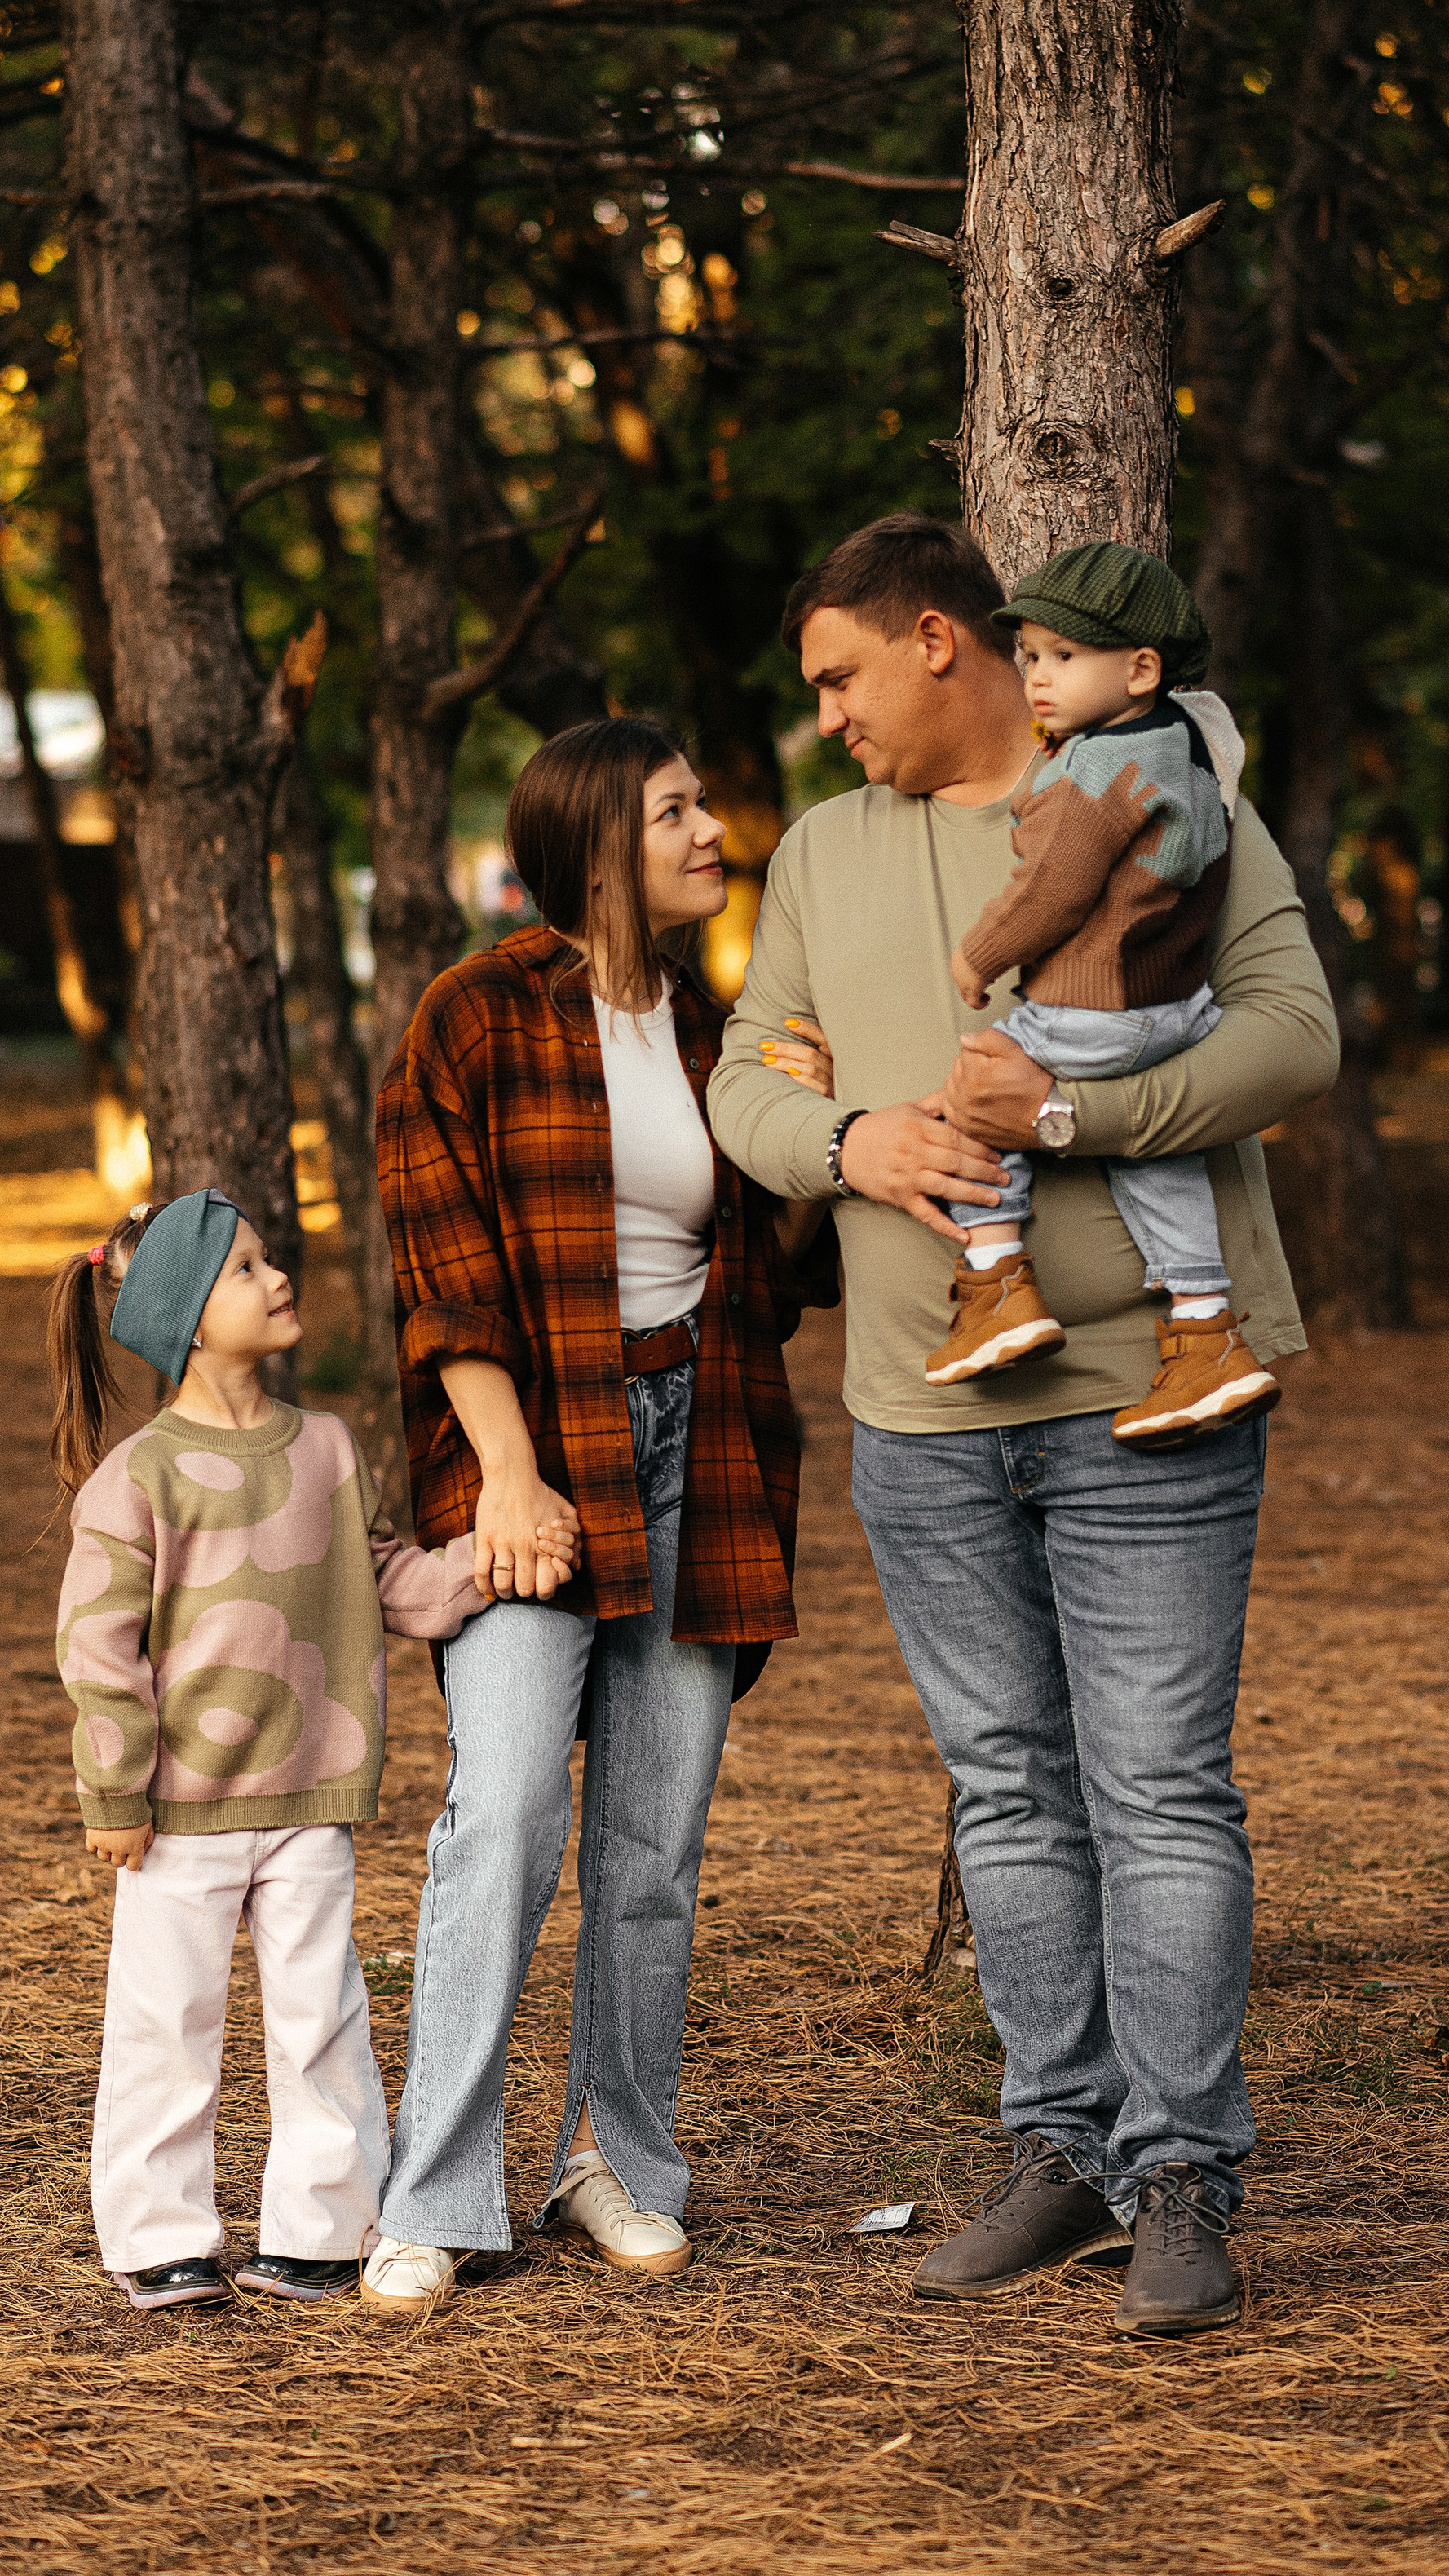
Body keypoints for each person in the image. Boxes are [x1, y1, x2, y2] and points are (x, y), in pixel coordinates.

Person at [707, 513, 1340, 2340]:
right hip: (914, 1408)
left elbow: (1291, 1041)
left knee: (1154, 1790)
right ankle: (1057, 2153)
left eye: (835, 676)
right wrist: (848, 1146)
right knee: (1006, 1791)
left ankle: (1178, 2180)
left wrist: (1067, 1131)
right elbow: (749, 1069)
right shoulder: (822, 853)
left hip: (1154, 1386)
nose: (819, 714)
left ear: (933, 640)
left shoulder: (1163, 787)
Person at [364, 718, 830, 2318]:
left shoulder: (721, 1031)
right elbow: (442, 1260)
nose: (713, 833)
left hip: (699, 1448)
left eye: (705, 807)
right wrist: (502, 1474)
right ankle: (431, 2192)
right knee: (501, 1818)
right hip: (529, 1447)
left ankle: (612, 2162)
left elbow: (774, 1284)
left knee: (651, 1852)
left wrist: (808, 1148)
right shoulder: (474, 1016)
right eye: (677, 812)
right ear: (592, 849)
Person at [48, 1187, 498, 2313]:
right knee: (167, 2019)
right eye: (247, 1268)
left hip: (311, 1794)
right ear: (191, 1319)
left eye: (268, 1259)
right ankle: (159, 2237)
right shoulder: (139, 1479)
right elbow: (98, 1647)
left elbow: (386, 1570)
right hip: (179, 1813)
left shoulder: (328, 1450)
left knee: (321, 2011)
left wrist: (476, 1573)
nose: (278, 1276)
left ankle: (322, 2224)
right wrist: (115, 1790)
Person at [924, 542, 1278, 1448]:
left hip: (1094, 1003)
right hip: (1174, 1007)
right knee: (1151, 1159)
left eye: (1064, 658)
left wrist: (981, 955)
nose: (1037, 679)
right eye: (1031, 657)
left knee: (975, 1101)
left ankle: (996, 1285)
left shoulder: (1097, 770)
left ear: (1141, 668)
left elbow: (1054, 889)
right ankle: (1207, 1333)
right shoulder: (1194, 742)